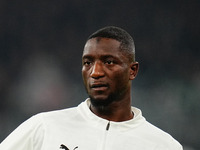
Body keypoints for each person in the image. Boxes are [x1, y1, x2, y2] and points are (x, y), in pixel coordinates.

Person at [0, 26, 183, 150]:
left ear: (132, 70)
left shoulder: (163, 145)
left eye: (109, 62)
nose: (95, 72)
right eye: (88, 63)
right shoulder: (44, 127)